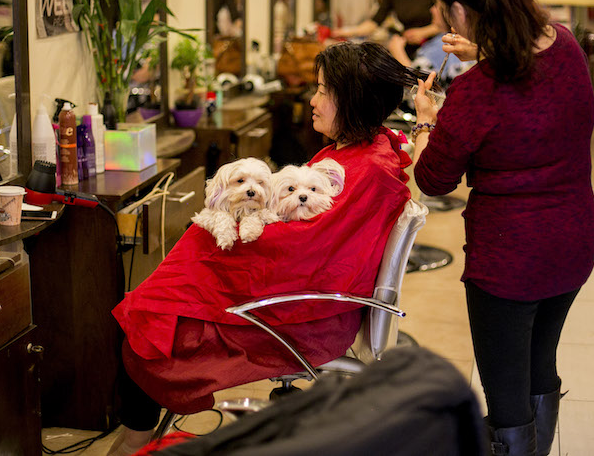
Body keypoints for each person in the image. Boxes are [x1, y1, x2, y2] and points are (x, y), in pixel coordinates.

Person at [107, 42, 413, 456]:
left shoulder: (367, 170)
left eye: (323, 91)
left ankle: (131, 448)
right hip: (297, 302)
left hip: (303, 316)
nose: (313, 100)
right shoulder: (358, 152)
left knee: (148, 339)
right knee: (148, 321)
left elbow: (311, 248)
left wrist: (219, 239)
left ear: (354, 100)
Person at [411, 0, 594, 456]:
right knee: (540, 364)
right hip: (575, 240)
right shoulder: (566, 45)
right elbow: (532, 91)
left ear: (459, 9)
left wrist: (428, 123)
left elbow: (434, 179)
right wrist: (484, 52)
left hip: (510, 260)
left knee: (507, 394)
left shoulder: (477, 91)